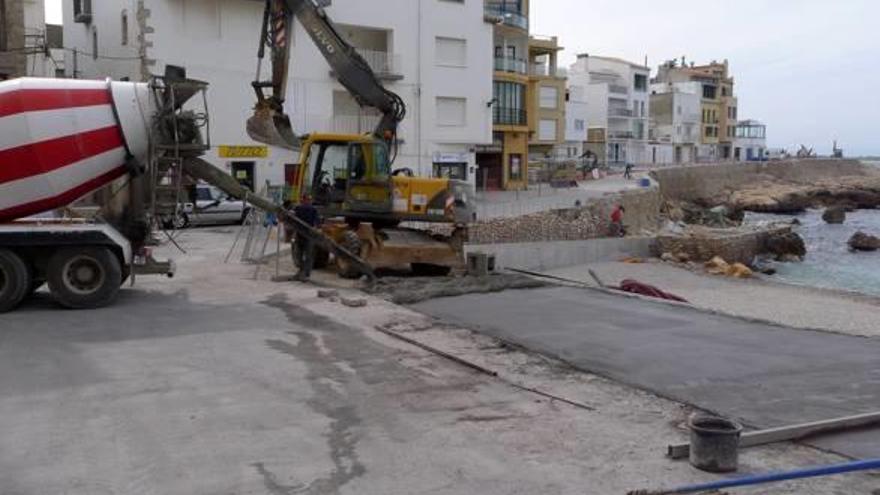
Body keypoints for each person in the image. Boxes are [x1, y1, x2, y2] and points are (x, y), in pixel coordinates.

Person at [291, 195, 321, 281]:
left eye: (310, 200)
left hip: (308, 236)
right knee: (299, 254)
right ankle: (302, 271)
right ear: (303, 200)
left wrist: (315, 227)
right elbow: (293, 218)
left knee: (308, 255)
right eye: (308, 199)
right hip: (300, 235)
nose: (309, 201)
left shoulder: (313, 210)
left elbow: (317, 222)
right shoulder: (298, 209)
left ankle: (306, 273)